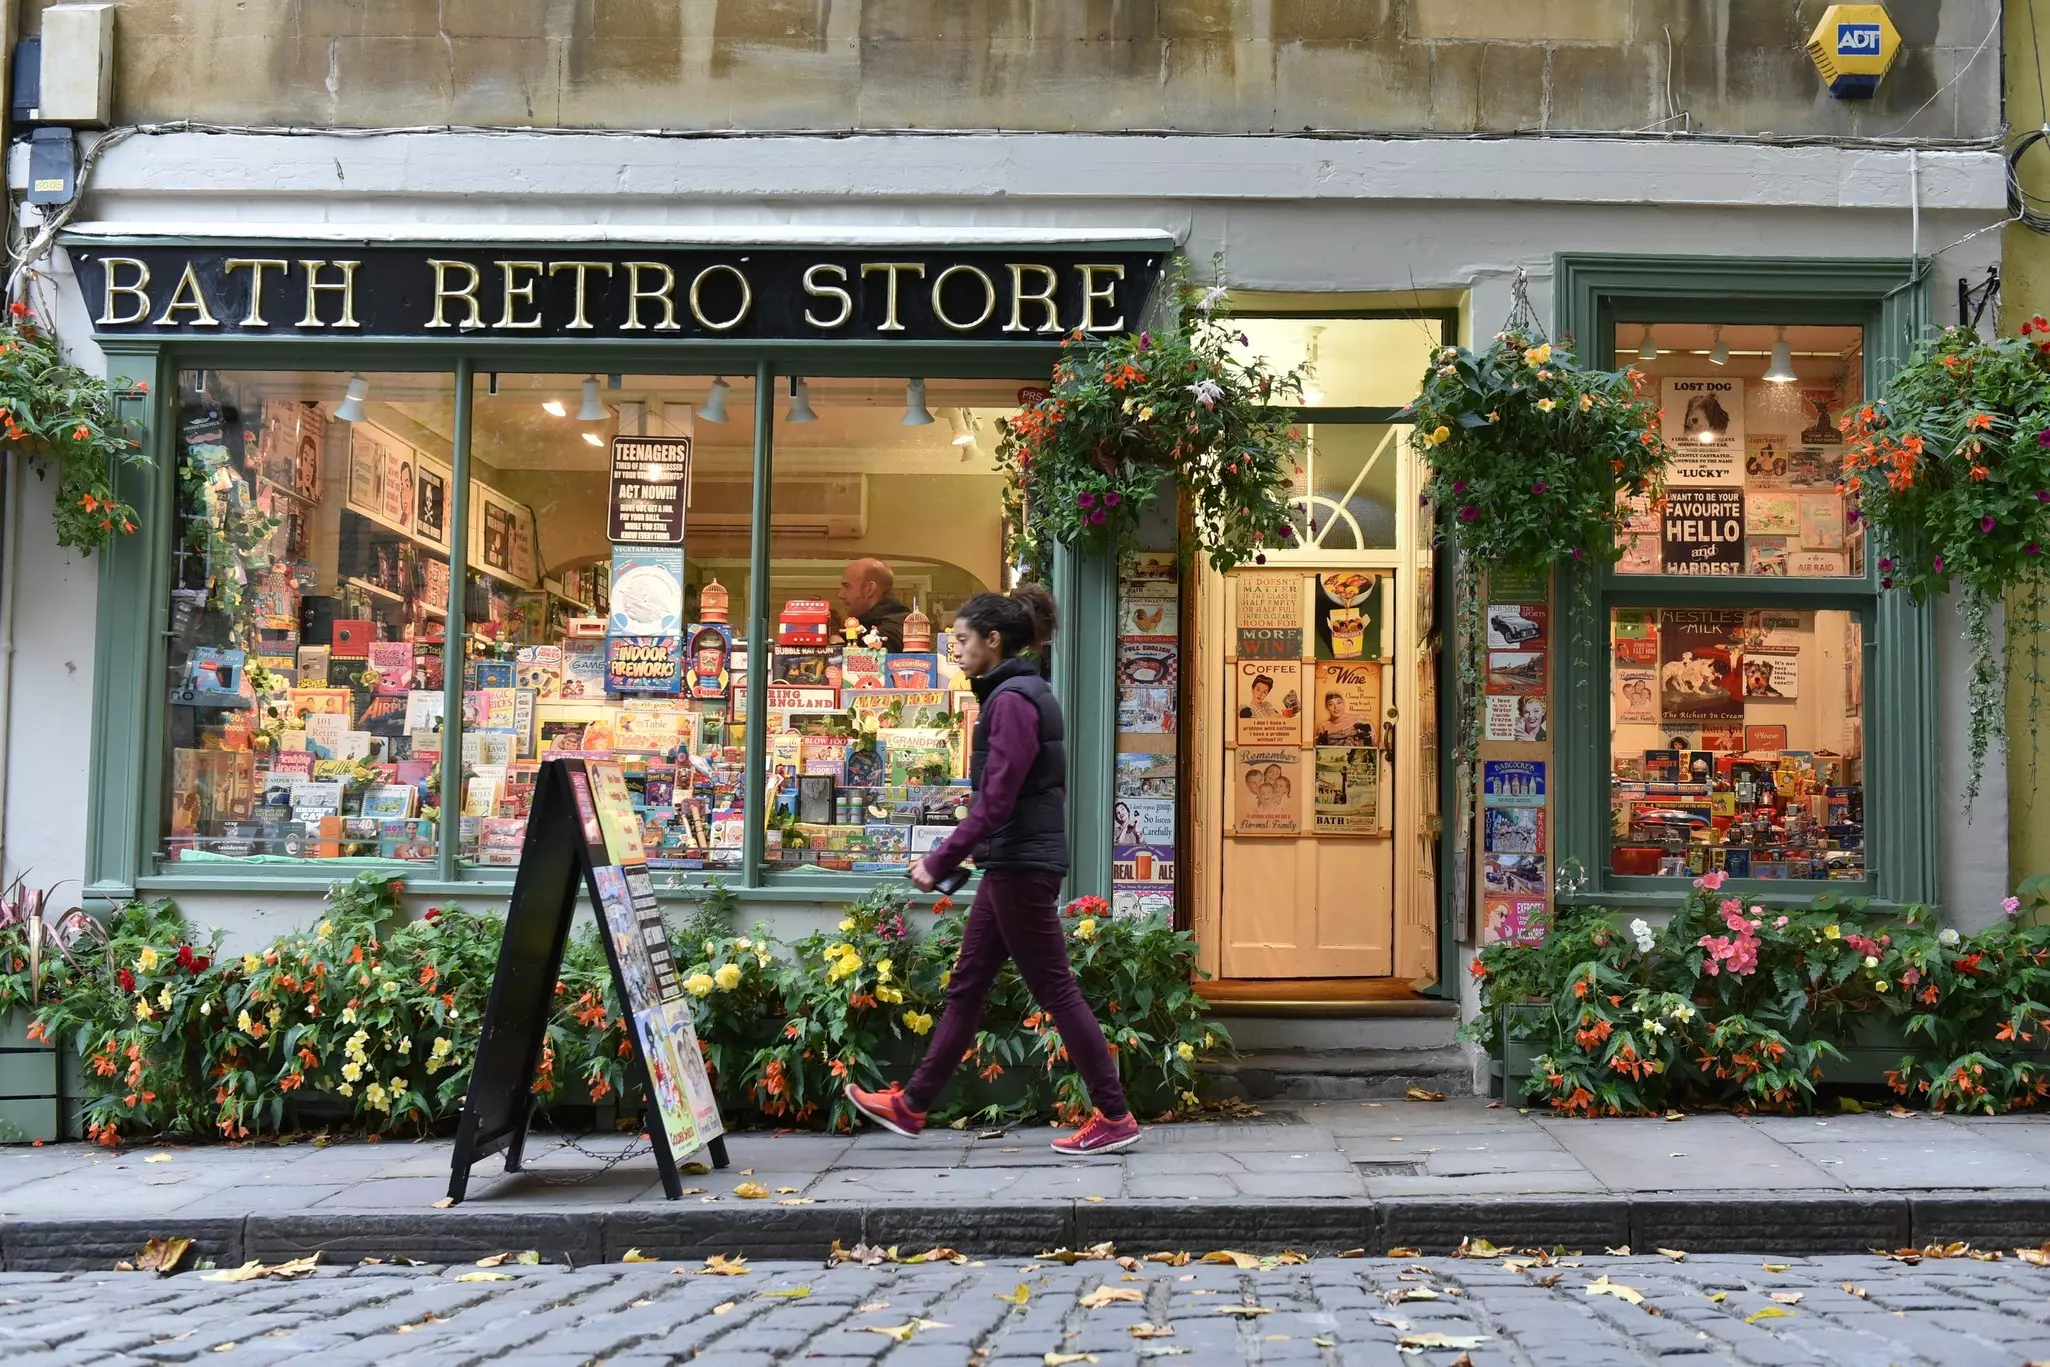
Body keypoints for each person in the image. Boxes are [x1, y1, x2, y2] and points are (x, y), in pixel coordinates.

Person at [845, 589, 1139, 1156]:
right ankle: (912, 1105)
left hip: (1021, 863)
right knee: (968, 986)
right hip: (1013, 860)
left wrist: (939, 859)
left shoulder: (1011, 701)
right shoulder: (1018, 693)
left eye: (960, 638)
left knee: (1054, 988)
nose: (954, 648)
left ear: (993, 640)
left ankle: (1115, 1114)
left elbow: (997, 798)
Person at [839, 557, 912, 651]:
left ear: (870, 589)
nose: (841, 595)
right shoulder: (873, 624)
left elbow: (858, 662)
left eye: (847, 587)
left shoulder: (889, 632)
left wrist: (836, 642)